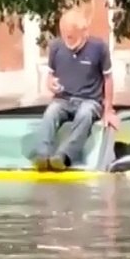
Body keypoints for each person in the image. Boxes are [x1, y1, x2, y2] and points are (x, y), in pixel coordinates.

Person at [31, 9, 119, 170]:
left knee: (85, 113)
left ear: (84, 31)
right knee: (51, 112)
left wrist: (108, 110)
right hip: (63, 99)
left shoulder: (99, 48)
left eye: (71, 36)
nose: (68, 40)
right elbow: (49, 76)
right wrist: (50, 84)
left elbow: (108, 79)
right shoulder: (56, 47)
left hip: (90, 100)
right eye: (65, 35)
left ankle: (64, 156)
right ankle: (43, 155)